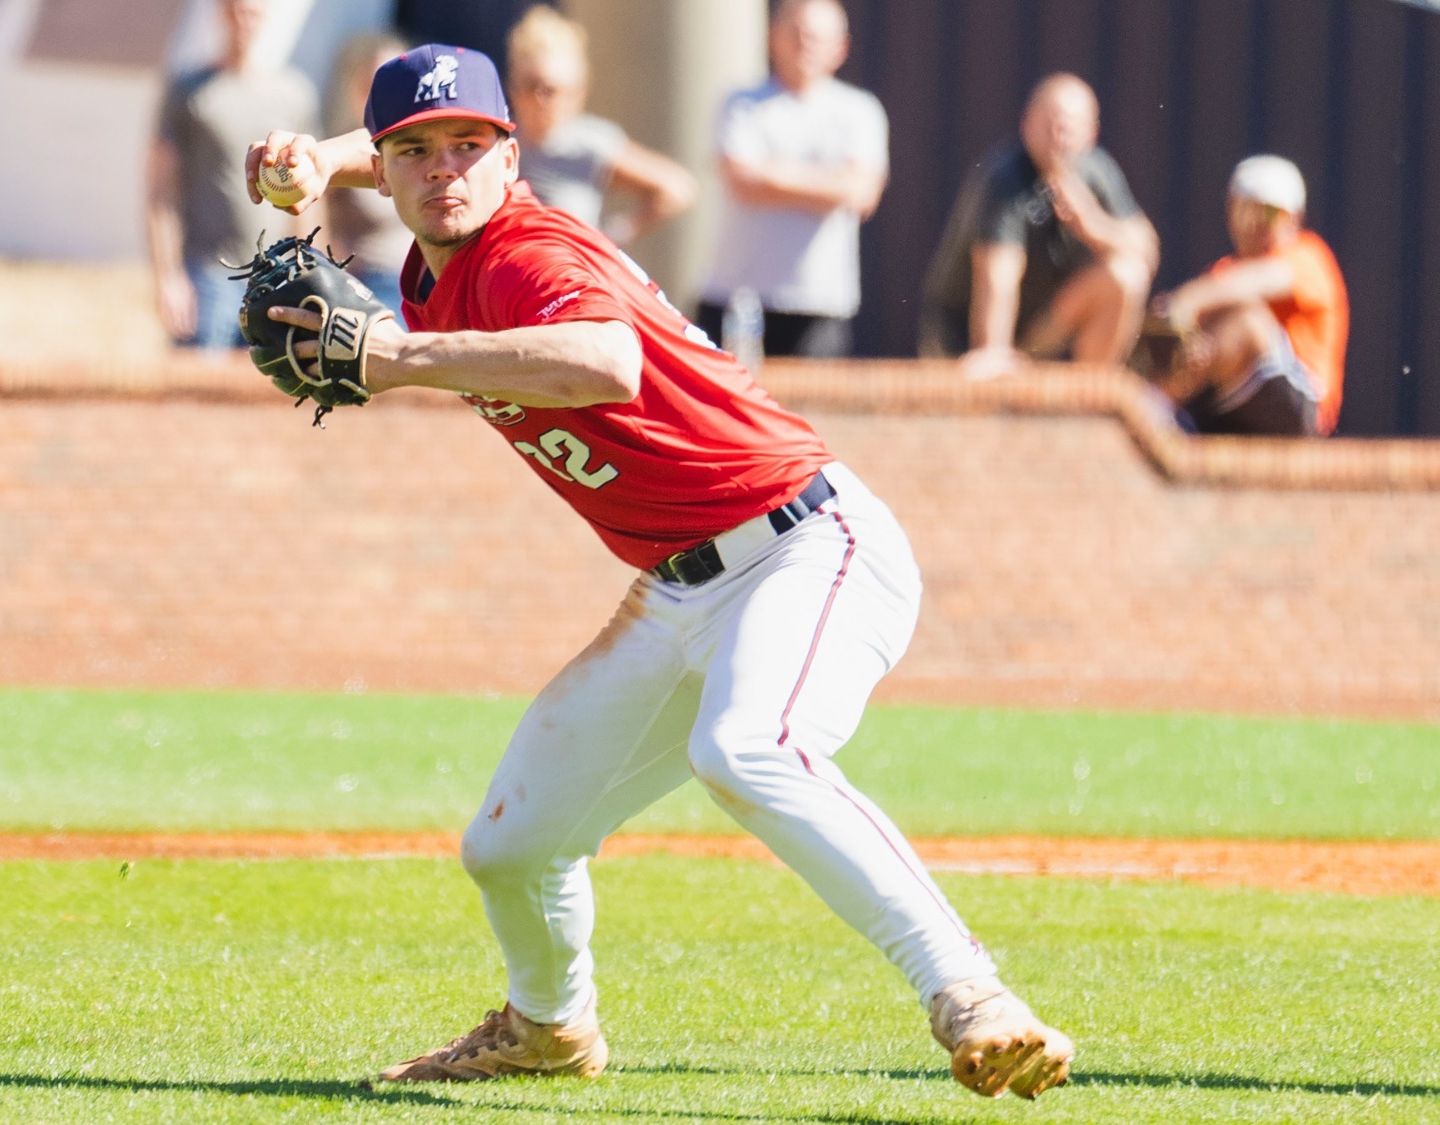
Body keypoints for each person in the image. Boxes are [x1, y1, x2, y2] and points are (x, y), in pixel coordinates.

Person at [243, 43, 1074, 1102]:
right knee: (512, 843)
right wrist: (322, 158)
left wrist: (394, 358)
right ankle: (549, 1028)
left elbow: (605, 361)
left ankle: (972, 996)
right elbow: (406, 162)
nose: (443, 168)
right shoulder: (434, 258)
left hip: (806, 545)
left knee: (748, 748)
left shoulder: (526, 252)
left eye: (469, 145)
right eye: (414, 151)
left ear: (512, 157)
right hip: (678, 587)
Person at [919, 73, 1160, 381]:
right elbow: (997, 279)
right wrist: (993, 354)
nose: (1059, 137)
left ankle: (1089, 396)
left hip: (1035, 337)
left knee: (1127, 274)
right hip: (960, 342)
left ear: (1092, 133)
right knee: (991, 365)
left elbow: (1147, 248)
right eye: (1050, 125)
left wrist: (1094, 226)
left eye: (1069, 127)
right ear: (1026, 125)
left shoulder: (1097, 171)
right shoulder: (1005, 180)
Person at [696, 0, 887, 359]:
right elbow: (743, 182)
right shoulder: (740, 103)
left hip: (818, 304)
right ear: (773, 38)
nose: (805, 45)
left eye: (816, 37)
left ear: (840, 47)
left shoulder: (859, 111)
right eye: (795, 34)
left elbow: (860, 194)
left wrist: (774, 172)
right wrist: (829, 184)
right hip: (735, 300)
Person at [147, 0, 319, 349]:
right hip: (207, 274)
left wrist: (309, 274)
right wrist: (168, 278)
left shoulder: (293, 94)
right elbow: (161, 192)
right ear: (222, 13)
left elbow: (310, 195)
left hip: (275, 275)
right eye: (236, 10)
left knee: (266, 381)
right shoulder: (189, 91)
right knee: (196, 379)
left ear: (265, 16)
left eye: (252, 12)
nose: (244, 21)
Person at [1146, 155, 1349, 436]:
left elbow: (1257, 281)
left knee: (1246, 318)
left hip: (1302, 413)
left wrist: (1183, 302)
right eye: (1245, 210)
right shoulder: (1222, 272)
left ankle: (1151, 408)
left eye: (1269, 213)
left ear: (1294, 218)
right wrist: (1194, 344)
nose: (1255, 222)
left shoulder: (1309, 256)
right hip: (1226, 406)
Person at [503, 5, 696, 244]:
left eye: (553, 90)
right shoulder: (499, 143)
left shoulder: (587, 144)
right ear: (513, 87)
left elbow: (676, 189)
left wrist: (611, 237)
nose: (541, 99)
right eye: (531, 86)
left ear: (577, 93)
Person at [318, 30, 416, 315]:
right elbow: (314, 218)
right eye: (373, 85)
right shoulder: (341, 150)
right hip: (369, 285)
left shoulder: (419, 145)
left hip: (420, 284)